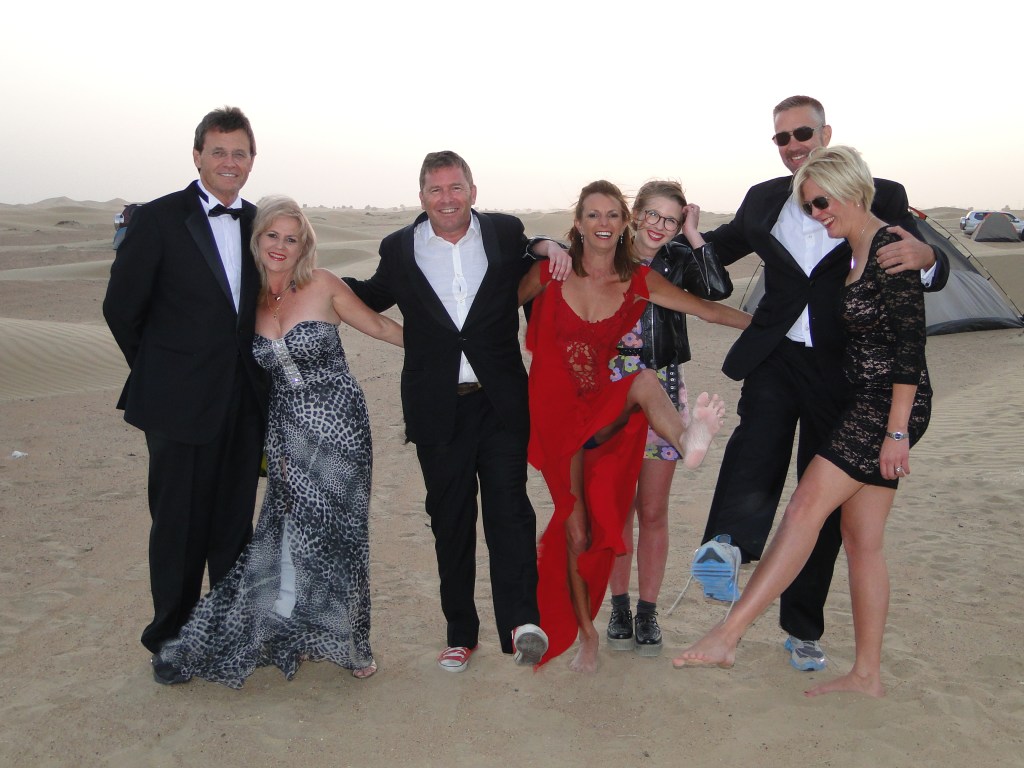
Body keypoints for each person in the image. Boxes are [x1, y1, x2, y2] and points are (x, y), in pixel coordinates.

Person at [695, 95, 949, 672]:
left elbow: (920, 266)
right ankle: (726, 545)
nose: (793, 146)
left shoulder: (881, 194)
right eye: (781, 138)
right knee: (757, 436)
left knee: (824, 503)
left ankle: (802, 628)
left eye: (802, 133)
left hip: (843, 367)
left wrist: (928, 256)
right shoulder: (763, 198)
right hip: (778, 350)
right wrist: (672, 235)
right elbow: (721, 246)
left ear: (826, 133)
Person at [156, 196, 403, 687]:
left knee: (342, 534)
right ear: (258, 239)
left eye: (292, 239)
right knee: (290, 531)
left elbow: (379, 326)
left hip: (340, 426)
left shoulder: (323, 285)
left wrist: (449, 352)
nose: (281, 246)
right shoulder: (245, 299)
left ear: (304, 246)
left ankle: (353, 643)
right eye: (273, 235)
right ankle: (299, 630)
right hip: (286, 431)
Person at [343, 151, 569, 673]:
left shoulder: (502, 231)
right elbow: (373, 295)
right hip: (437, 405)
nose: (447, 199)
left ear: (472, 190)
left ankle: (521, 623)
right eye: (436, 189)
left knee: (510, 510)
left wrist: (549, 245)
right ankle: (460, 633)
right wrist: (318, 283)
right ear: (422, 196)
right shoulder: (399, 247)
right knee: (451, 521)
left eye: (456, 187)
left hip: (500, 400)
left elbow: (532, 249)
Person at [519, 180, 750, 673]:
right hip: (560, 416)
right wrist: (539, 245)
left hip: (616, 401)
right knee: (577, 528)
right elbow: (490, 311)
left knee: (645, 385)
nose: (603, 223)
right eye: (593, 214)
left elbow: (709, 306)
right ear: (579, 223)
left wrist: (775, 329)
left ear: (624, 223)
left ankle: (686, 438)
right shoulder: (550, 271)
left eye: (612, 215)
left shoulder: (642, 277)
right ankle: (589, 633)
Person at [102, 107, 269, 682]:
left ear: (252, 161)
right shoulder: (158, 218)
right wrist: (164, 372)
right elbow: (121, 308)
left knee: (232, 529)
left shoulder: (259, 223)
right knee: (177, 527)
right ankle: (170, 640)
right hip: (176, 405)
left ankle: (224, 635)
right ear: (197, 156)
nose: (229, 162)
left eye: (239, 153)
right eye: (218, 151)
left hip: (243, 405)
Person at [605, 180, 732, 657]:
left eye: (672, 220)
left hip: (664, 385)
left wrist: (696, 235)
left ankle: (648, 611)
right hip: (612, 390)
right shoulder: (606, 253)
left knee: (653, 510)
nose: (660, 226)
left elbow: (717, 289)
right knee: (617, 509)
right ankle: (618, 607)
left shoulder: (677, 258)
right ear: (635, 213)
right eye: (653, 215)